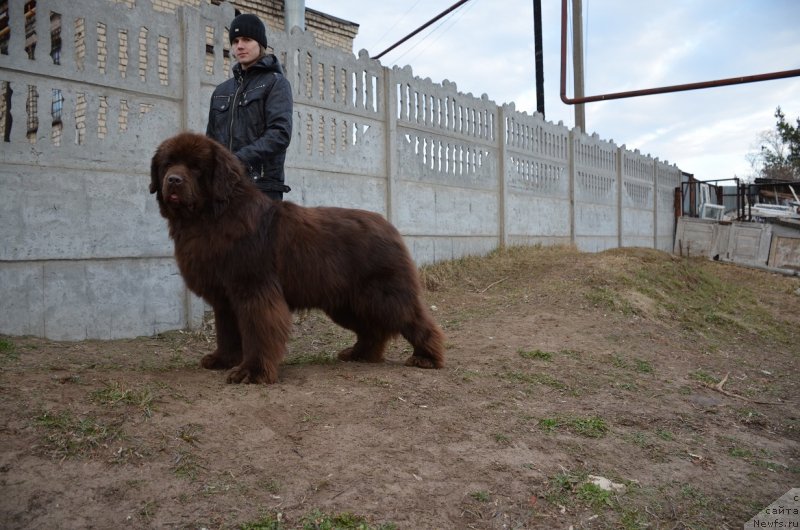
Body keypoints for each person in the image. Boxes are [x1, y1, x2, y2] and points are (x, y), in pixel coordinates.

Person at [206, 13, 293, 200]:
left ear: (260, 44)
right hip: (224, 188)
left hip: (261, 189)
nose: (240, 46)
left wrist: (238, 160)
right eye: (235, 41)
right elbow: (210, 141)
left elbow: (280, 134)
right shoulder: (222, 91)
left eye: (247, 39)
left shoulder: (275, 83)